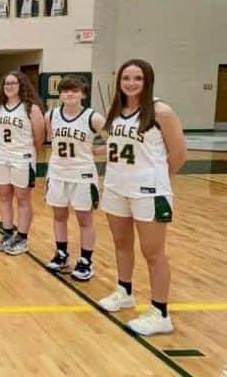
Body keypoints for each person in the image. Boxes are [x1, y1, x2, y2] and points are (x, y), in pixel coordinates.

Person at [97, 59, 186, 336]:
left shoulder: (161, 111)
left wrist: (156, 179)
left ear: (147, 81)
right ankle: (124, 291)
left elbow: (179, 155)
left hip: (148, 191)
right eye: (126, 78)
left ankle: (160, 313)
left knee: (153, 253)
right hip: (115, 187)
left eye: (138, 78)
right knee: (121, 243)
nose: (131, 83)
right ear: (119, 82)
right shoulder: (116, 111)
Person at [44, 75, 105, 281]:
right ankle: (61, 254)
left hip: (82, 174)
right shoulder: (51, 115)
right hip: (58, 172)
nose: (69, 94)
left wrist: (98, 150)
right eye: (65, 91)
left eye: (75, 90)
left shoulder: (93, 117)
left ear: (83, 94)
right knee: (59, 216)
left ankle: (86, 260)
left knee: (84, 219)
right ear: (60, 94)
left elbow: (114, 139)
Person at [0, 71, 45, 255]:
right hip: (1, 156)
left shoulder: (31, 108)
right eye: (6, 84)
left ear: (21, 85)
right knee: (4, 196)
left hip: (22, 158)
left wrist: (28, 153)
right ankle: (7, 233)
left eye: (13, 83)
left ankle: (22, 238)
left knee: (23, 198)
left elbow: (39, 137)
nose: (9, 87)